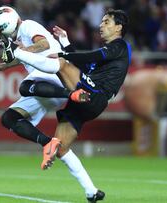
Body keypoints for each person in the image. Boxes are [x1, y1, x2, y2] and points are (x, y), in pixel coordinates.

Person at [11, 9, 131, 202]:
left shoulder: (120, 46)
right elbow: (83, 67)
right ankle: (91, 191)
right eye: (101, 21)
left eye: (107, 22)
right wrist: (65, 42)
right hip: (84, 101)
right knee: (61, 149)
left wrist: (61, 53)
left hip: (94, 95)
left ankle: (18, 53)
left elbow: (89, 57)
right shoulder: (107, 55)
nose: (101, 25)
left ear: (119, 27)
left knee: (62, 64)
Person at [0, 6, 101, 202]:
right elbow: (24, 56)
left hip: (55, 75)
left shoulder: (28, 26)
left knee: (25, 86)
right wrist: (4, 66)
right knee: (9, 118)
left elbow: (43, 43)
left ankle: (72, 94)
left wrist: (21, 51)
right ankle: (50, 145)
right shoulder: (18, 35)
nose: (1, 36)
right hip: (42, 86)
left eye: (0, 31)